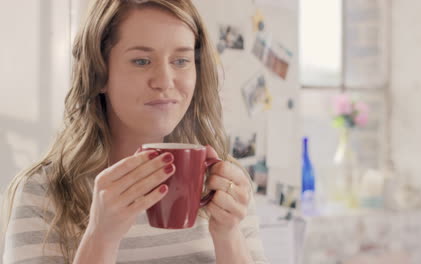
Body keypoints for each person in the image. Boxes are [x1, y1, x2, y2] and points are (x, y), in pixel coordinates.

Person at [1, 0, 268, 263]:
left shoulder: (226, 186)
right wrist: (100, 237)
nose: (164, 81)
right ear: (100, 74)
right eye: (141, 61)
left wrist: (228, 235)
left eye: (181, 60)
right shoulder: (43, 191)